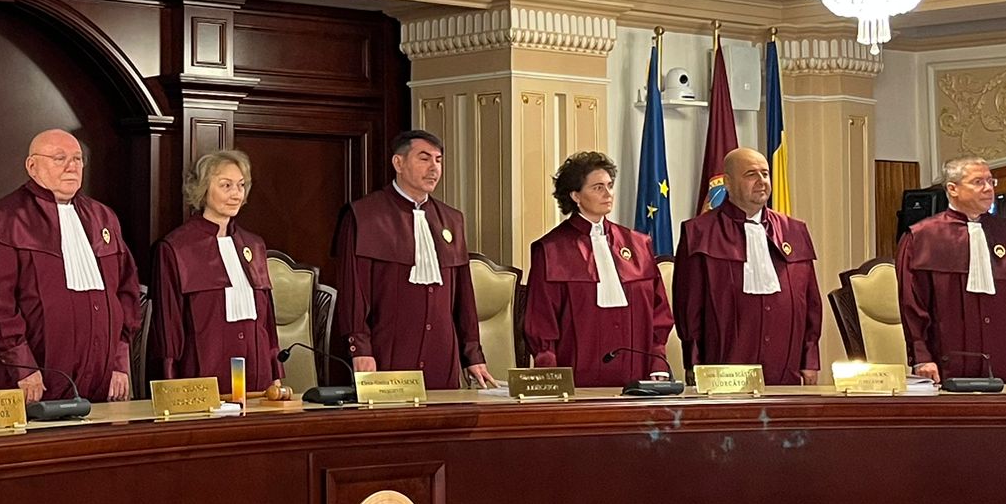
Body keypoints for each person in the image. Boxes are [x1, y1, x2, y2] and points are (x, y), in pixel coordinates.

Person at [0, 128, 141, 404]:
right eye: (59, 158)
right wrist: (23, 367)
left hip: (103, 382)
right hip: (36, 382)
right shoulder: (5, 219)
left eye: (77, 159)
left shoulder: (104, 218)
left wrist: (119, 362)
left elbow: (127, 292)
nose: (71, 166)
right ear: (32, 166)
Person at [332, 130, 494, 389]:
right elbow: (353, 292)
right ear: (398, 163)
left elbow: (464, 297)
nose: (434, 168)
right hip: (387, 352)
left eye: (439, 160)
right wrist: (360, 348)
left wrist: (472, 354)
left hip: (442, 355)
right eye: (424, 158)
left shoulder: (452, 219)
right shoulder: (363, 215)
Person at [673, 148, 821, 384]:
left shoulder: (794, 230)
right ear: (728, 183)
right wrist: (693, 364)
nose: (762, 181)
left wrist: (810, 360)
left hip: (785, 365)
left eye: (765, 174)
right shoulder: (699, 232)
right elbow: (689, 306)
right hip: (724, 367)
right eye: (751, 174)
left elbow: (811, 301)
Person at [525, 150, 674, 383]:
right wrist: (550, 376)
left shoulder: (638, 244)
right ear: (575, 195)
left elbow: (659, 311)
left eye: (610, 185)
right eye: (598, 187)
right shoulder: (551, 249)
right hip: (577, 378)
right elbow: (541, 320)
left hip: (637, 376)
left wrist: (658, 362)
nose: (608, 194)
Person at [897, 155, 1006, 383]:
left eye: (990, 181)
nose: (988, 188)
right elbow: (912, 304)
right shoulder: (921, 237)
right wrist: (921, 357)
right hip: (947, 366)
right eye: (978, 182)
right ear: (953, 188)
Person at [153, 150, 284, 388]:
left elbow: (268, 321)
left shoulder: (254, 245)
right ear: (203, 189)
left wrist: (275, 373)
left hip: (258, 377)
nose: (236, 194)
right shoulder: (176, 247)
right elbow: (169, 328)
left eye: (241, 185)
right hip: (205, 377)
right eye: (226, 185)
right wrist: (172, 385)